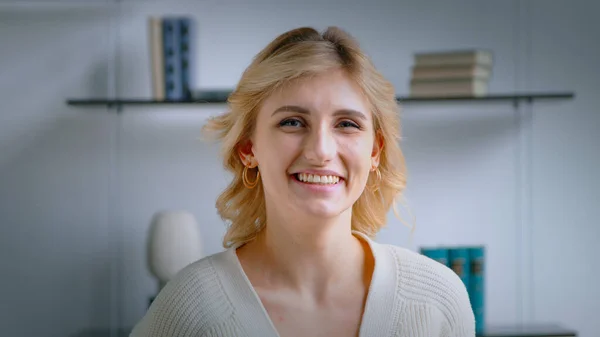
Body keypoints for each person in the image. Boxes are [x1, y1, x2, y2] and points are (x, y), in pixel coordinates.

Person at [130, 26, 475, 337]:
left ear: (375, 151)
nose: (321, 151)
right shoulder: (190, 309)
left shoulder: (437, 299)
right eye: (292, 122)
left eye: (347, 124)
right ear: (248, 147)